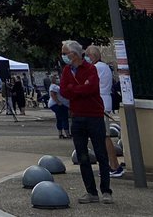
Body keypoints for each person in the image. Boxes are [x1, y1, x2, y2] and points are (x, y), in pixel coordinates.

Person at [61, 40, 113, 205]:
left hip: (94, 115)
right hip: (77, 116)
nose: (63, 56)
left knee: (101, 154)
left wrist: (74, 89)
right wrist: (79, 89)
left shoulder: (91, 69)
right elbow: (64, 91)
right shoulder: (67, 71)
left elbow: (91, 88)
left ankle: (106, 190)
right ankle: (91, 191)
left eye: (65, 53)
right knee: (82, 155)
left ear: (74, 54)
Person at [86, 45, 124, 177]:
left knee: (104, 136)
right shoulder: (104, 67)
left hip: (99, 104)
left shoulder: (96, 68)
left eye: (87, 55)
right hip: (103, 102)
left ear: (92, 57)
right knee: (103, 136)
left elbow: (86, 84)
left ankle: (114, 166)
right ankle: (112, 165)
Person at [49, 75, 71, 139]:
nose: (58, 79)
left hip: (57, 104)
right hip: (58, 104)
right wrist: (58, 102)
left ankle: (60, 133)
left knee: (59, 118)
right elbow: (52, 94)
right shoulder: (54, 86)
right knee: (64, 118)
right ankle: (67, 134)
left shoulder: (56, 86)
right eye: (56, 78)